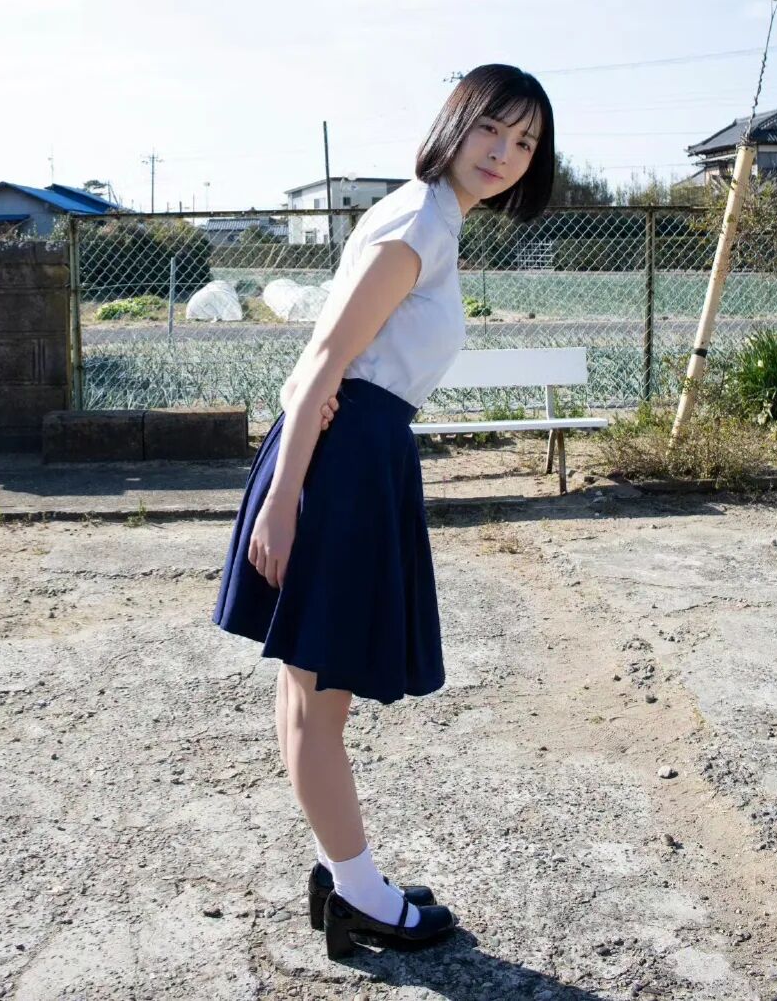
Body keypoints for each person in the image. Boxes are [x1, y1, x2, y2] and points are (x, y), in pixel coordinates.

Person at [212, 63, 555, 959]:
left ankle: (348, 876)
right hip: (345, 464)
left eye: (524, 142)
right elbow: (325, 362)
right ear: (455, 122)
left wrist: (297, 468)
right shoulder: (418, 224)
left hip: (353, 454)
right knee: (320, 702)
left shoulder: (426, 216)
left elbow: (320, 364)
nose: (504, 153)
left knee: (308, 692)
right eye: (492, 128)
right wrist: (283, 501)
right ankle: (361, 895)